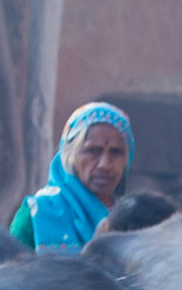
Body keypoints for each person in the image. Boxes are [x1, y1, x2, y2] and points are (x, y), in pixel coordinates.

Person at [9, 102, 133, 251]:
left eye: (115, 152)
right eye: (93, 150)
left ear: (128, 158)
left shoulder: (134, 219)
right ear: (70, 155)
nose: (104, 164)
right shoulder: (34, 217)